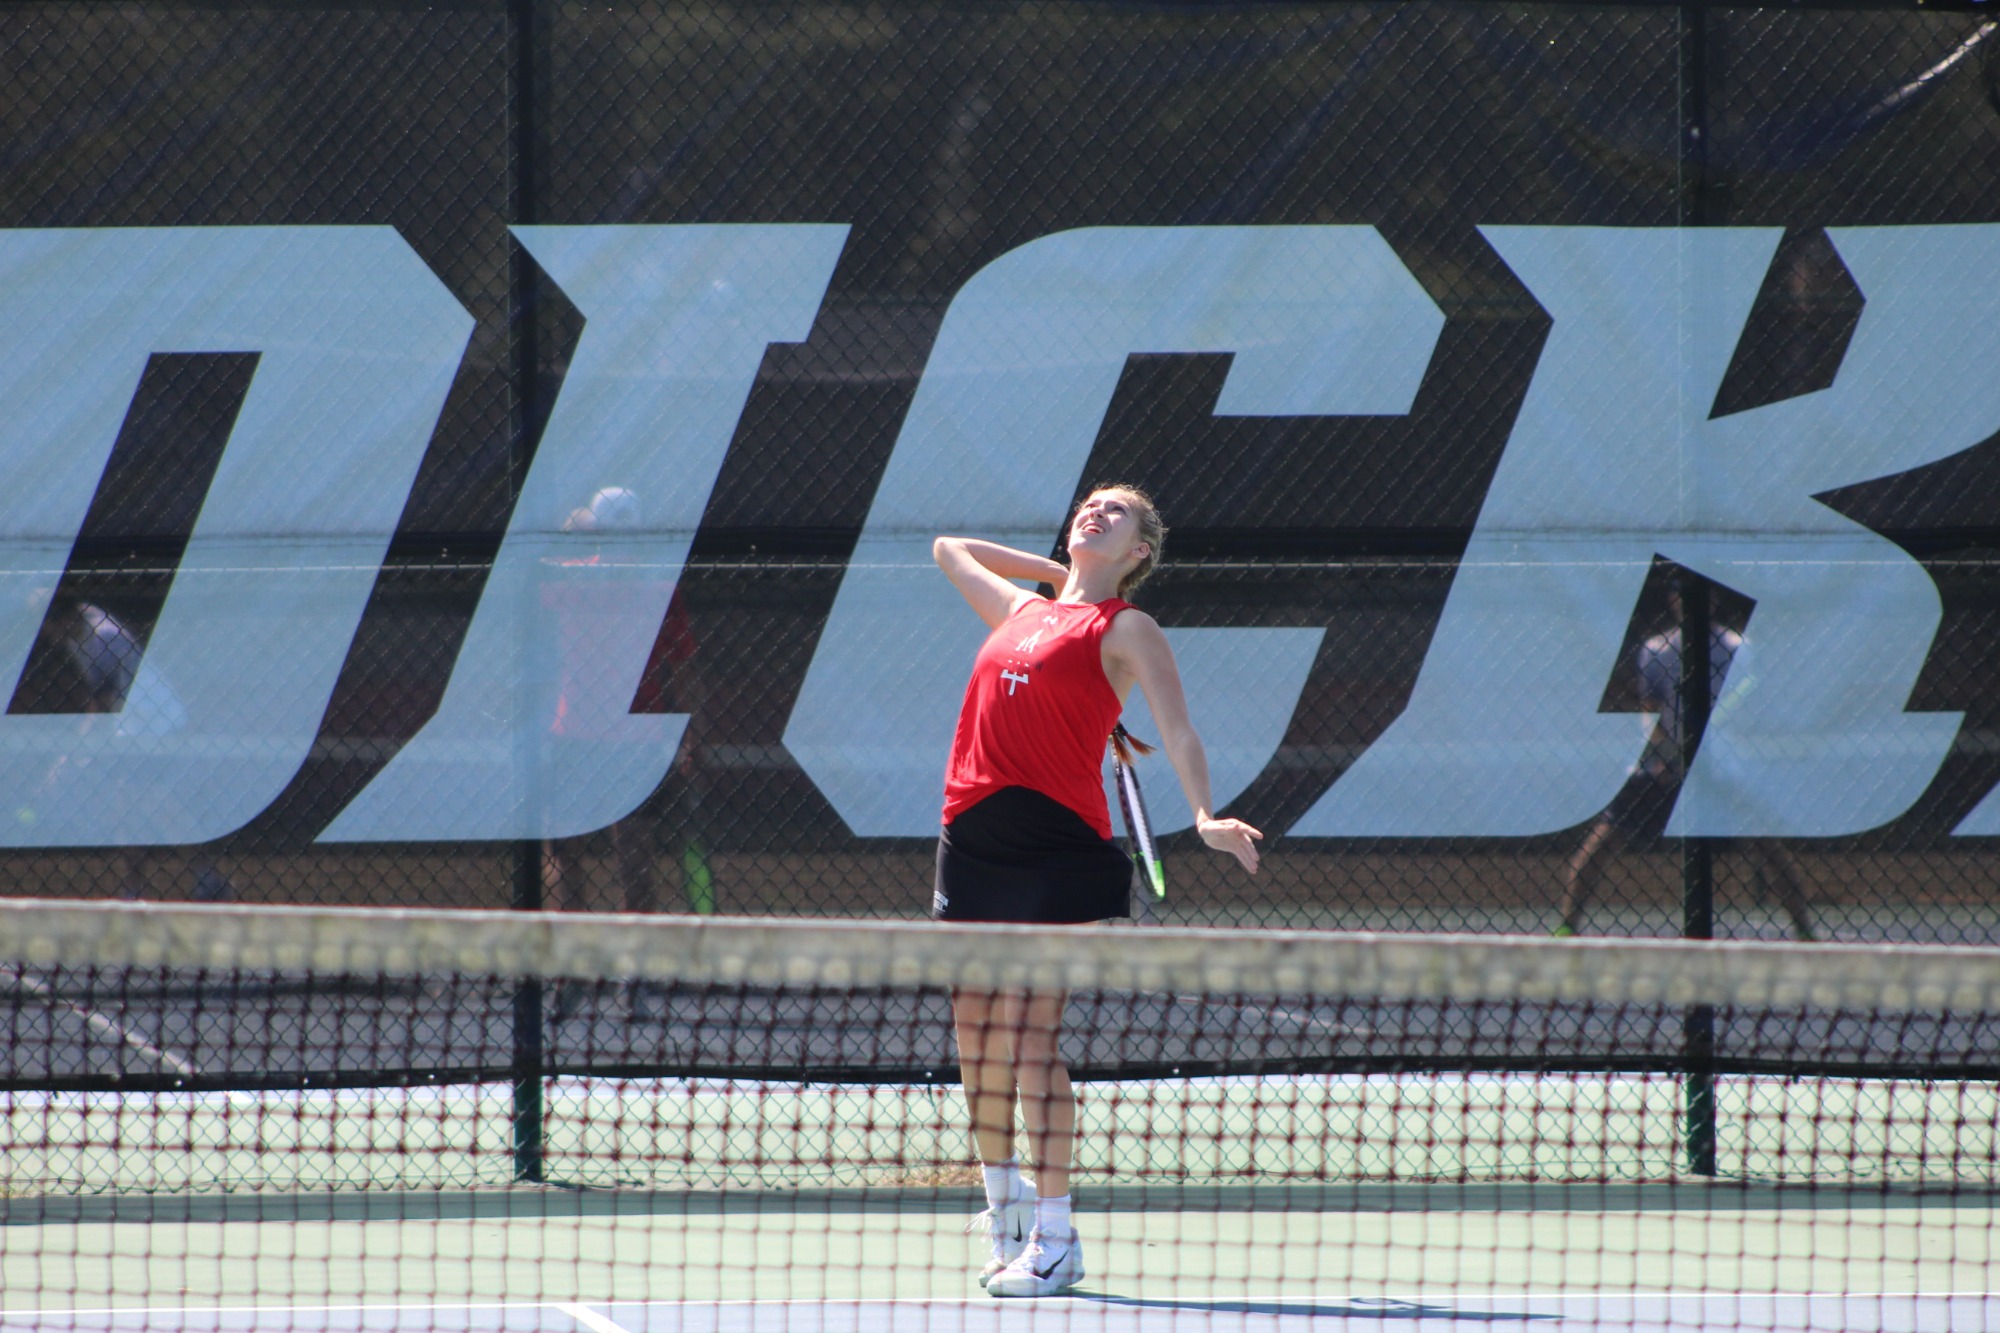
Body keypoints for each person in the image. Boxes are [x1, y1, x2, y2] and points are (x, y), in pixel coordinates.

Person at [931, 484, 1262, 1298]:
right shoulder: (1021, 610)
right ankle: (1005, 1209)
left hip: (1057, 850)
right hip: (969, 835)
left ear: (1139, 551)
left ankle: (1056, 1236)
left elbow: (1177, 727)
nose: (1096, 511)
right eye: (1091, 503)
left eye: (1117, 512)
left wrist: (1203, 813)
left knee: (1029, 1033)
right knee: (974, 1034)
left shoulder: (1127, 628)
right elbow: (949, 547)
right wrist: (1057, 577)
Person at [1558, 593, 1813, 940]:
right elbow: (1651, 711)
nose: (1690, 602)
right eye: (1681, 594)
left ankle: (1804, 930)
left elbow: (1746, 712)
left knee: (1766, 845)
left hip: (1720, 768)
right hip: (1661, 766)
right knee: (1602, 842)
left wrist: (1712, 756)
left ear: (1714, 600)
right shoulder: (1656, 649)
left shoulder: (1739, 649)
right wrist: (1668, 756)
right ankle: (1567, 925)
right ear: (1674, 599)